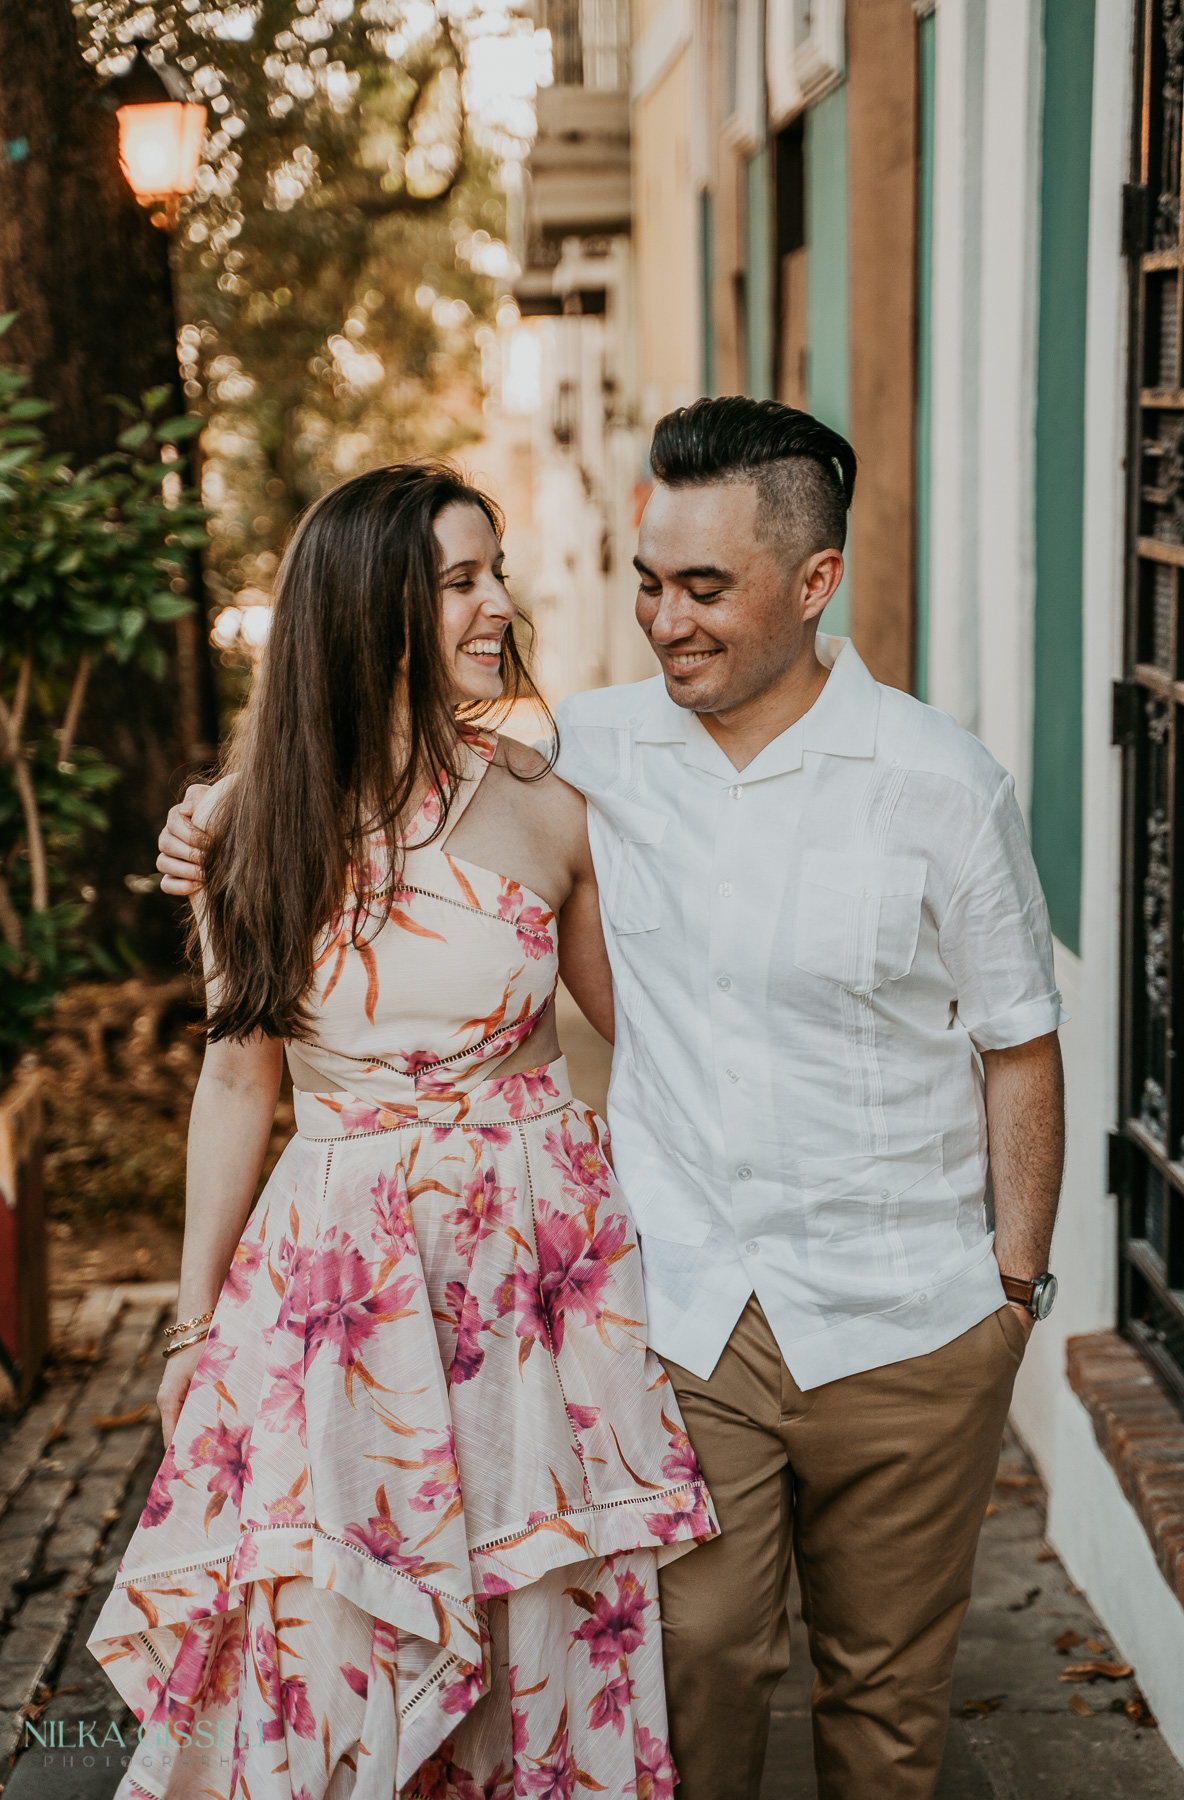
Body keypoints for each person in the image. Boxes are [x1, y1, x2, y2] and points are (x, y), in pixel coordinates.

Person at [158, 398, 1067, 1800]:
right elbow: (340, 846)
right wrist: (224, 808)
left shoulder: (895, 786)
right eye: (651, 582)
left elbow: (993, 1037)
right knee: (634, 1661)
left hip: (757, 1305)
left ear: (813, 585)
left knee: (821, 1699)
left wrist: (1013, 1290)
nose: (660, 617)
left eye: (703, 586)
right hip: (546, 1301)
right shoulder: (584, 753)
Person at [89, 462, 716, 1800]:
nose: (500, 601)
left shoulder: (551, 803)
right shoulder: (246, 828)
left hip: (535, 1289)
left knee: (539, 1606)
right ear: (370, 611)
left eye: (497, 572)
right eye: (461, 580)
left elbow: (659, 1045)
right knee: (334, 1630)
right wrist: (197, 1332)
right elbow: (237, 1082)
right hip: (341, 1294)